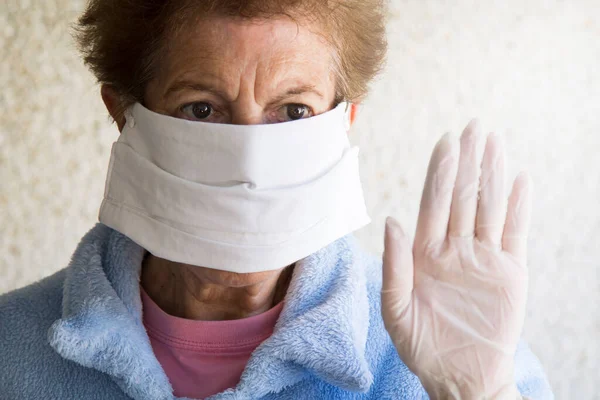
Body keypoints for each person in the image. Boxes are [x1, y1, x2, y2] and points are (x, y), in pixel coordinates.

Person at [0, 0, 554, 399]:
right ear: (122, 113)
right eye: (202, 108)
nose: (249, 164)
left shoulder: (436, 347)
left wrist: (475, 392)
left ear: (347, 118)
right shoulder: (13, 349)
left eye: (293, 112)